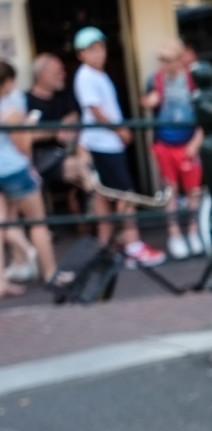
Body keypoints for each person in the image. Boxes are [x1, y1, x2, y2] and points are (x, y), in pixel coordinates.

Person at [73, 27, 164, 267]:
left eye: (100, 48)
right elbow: (95, 109)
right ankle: (133, 246)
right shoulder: (86, 77)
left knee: (105, 196)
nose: (98, 54)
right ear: (81, 54)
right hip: (104, 144)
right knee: (126, 195)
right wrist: (120, 130)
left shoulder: (96, 75)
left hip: (104, 143)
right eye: (91, 49)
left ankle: (106, 249)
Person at [141, 39, 204, 259]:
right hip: (164, 143)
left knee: (193, 192)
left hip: (188, 143)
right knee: (170, 192)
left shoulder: (192, 80)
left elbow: (204, 115)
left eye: (169, 60)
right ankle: (175, 234)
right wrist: (150, 101)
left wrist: (196, 143)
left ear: (179, 59)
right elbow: (146, 102)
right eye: (162, 60)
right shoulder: (155, 80)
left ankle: (195, 232)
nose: (165, 64)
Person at [0, 60, 56, 293]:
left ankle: (2, 283)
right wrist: (29, 125)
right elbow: (21, 143)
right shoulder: (11, 107)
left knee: (2, 225)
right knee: (38, 223)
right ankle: (51, 274)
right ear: (8, 81)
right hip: (13, 169)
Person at [25, 52, 96, 217]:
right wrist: (56, 131)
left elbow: (74, 115)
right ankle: (91, 216)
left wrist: (67, 125)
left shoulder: (62, 96)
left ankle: (91, 217)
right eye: (58, 72)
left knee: (86, 161)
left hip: (64, 153)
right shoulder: (26, 100)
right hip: (39, 159)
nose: (63, 75)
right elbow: (27, 136)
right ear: (42, 75)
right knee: (84, 169)